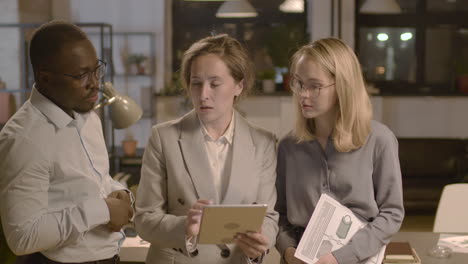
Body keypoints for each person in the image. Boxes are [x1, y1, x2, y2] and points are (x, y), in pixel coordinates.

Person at [134, 34, 279, 264]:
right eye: (196, 83)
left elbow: (269, 216)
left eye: (215, 83)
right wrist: (185, 226)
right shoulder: (163, 138)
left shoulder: (264, 143)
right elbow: (144, 220)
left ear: (239, 85)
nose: (203, 95)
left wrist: (261, 243)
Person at [0, 21, 133, 264]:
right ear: (45, 77)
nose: (95, 83)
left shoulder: (88, 116)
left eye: (96, 70)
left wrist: (119, 193)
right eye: (81, 75)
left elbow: (93, 182)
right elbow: (23, 237)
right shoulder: (24, 139)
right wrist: (103, 211)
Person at [275, 38, 404, 264]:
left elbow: (392, 214)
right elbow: (279, 215)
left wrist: (341, 257)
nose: (303, 94)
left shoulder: (379, 140)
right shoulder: (288, 147)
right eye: (298, 83)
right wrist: (288, 252)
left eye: (315, 86)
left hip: (360, 258)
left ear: (343, 85)